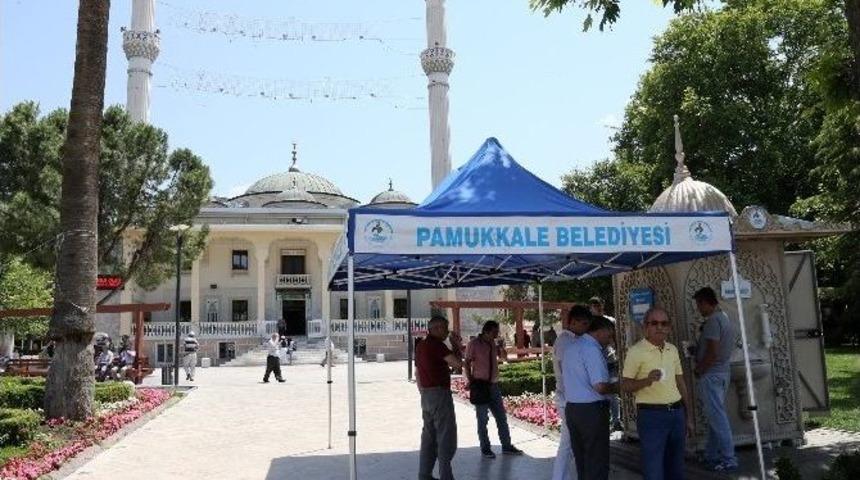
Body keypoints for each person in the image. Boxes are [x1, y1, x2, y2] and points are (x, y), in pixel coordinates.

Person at [621, 307, 694, 480]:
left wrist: (688, 416)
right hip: (651, 416)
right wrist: (647, 380)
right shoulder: (635, 352)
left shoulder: (672, 349)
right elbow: (625, 385)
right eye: (654, 323)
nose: (659, 327)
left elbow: (681, 382)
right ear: (645, 327)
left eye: (664, 323)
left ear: (669, 327)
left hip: (676, 414)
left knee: (676, 467)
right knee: (653, 469)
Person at [563, 315, 617, 480]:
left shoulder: (572, 347)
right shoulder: (592, 349)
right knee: (596, 461)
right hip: (591, 412)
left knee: (583, 461)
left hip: (573, 410)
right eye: (609, 336)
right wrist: (621, 386)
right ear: (601, 331)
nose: (609, 341)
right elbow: (600, 386)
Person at [692, 287, 738, 471]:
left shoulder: (712, 322)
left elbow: (713, 351)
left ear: (705, 302)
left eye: (698, 305)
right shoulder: (725, 319)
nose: (698, 309)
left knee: (718, 418)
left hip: (711, 375)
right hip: (723, 373)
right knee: (714, 416)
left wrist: (700, 369)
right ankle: (711, 456)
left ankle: (729, 459)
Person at [465, 320, 524, 459]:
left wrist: (501, 347)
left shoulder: (493, 343)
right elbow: (467, 362)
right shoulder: (473, 344)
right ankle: (485, 448)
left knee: (501, 418)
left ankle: (507, 446)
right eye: (495, 332)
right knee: (482, 419)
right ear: (486, 331)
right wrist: (470, 380)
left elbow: (504, 358)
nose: (497, 334)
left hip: (494, 386)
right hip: (480, 385)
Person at [416, 315, 463, 480]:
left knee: (428, 438)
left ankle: (424, 475)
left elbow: (418, 372)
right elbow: (457, 364)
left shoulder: (421, 345)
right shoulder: (437, 345)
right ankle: (446, 476)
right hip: (439, 394)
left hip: (426, 395)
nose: (447, 330)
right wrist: (457, 345)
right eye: (445, 327)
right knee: (446, 437)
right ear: (435, 329)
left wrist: (422, 391)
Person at [551, 305, 591, 480]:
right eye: (583, 324)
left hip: (570, 398)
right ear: (573, 322)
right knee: (567, 443)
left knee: (571, 443)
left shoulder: (571, 339)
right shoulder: (566, 341)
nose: (586, 329)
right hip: (567, 399)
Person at [589, 296, 622, 432]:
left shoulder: (610, 321)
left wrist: (618, 353)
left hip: (609, 360)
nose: (598, 307)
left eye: (600, 304)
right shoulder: (589, 323)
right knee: (597, 392)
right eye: (595, 305)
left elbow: (616, 339)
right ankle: (603, 422)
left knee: (613, 392)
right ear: (590, 307)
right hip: (595, 362)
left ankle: (616, 421)